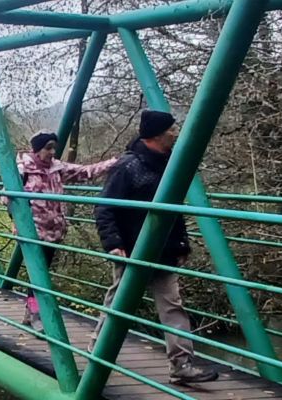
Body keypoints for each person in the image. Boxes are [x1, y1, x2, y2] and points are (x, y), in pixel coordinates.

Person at [92, 110, 215, 383]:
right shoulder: (127, 166)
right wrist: (113, 243)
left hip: (164, 251)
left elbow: (173, 209)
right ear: (158, 135)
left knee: (173, 306)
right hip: (131, 251)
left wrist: (181, 244)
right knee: (118, 305)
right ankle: (97, 350)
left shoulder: (170, 164)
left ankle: (182, 366)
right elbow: (104, 208)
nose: (175, 133)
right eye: (172, 129)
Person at [8, 130, 120, 271]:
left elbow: (85, 171)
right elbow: (7, 197)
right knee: (38, 269)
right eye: (48, 148)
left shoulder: (57, 168)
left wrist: (113, 163)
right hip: (32, 230)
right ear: (37, 149)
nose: (52, 152)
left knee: (44, 268)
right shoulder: (22, 170)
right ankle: (34, 294)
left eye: (54, 147)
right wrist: (15, 221)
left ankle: (34, 294)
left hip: (53, 230)